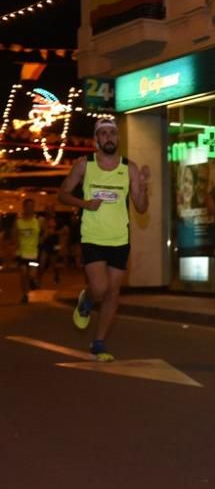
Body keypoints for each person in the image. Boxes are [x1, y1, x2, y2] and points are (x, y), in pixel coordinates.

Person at [58, 117, 150, 361]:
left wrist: (142, 186)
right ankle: (86, 299)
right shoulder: (83, 165)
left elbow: (141, 208)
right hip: (93, 236)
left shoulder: (129, 168)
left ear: (118, 138)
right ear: (96, 140)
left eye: (112, 133)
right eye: (104, 133)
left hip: (120, 238)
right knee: (100, 288)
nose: (109, 137)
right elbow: (63, 195)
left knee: (113, 293)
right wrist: (85, 203)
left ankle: (98, 343)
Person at [14, 198, 42, 304]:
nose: (30, 208)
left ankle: (33, 281)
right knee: (23, 273)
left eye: (32, 206)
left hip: (34, 253)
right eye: (28, 206)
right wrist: (15, 246)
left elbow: (43, 234)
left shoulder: (38, 220)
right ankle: (25, 294)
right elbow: (14, 235)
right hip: (22, 253)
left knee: (32, 275)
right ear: (24, 207)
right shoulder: (18, 221)